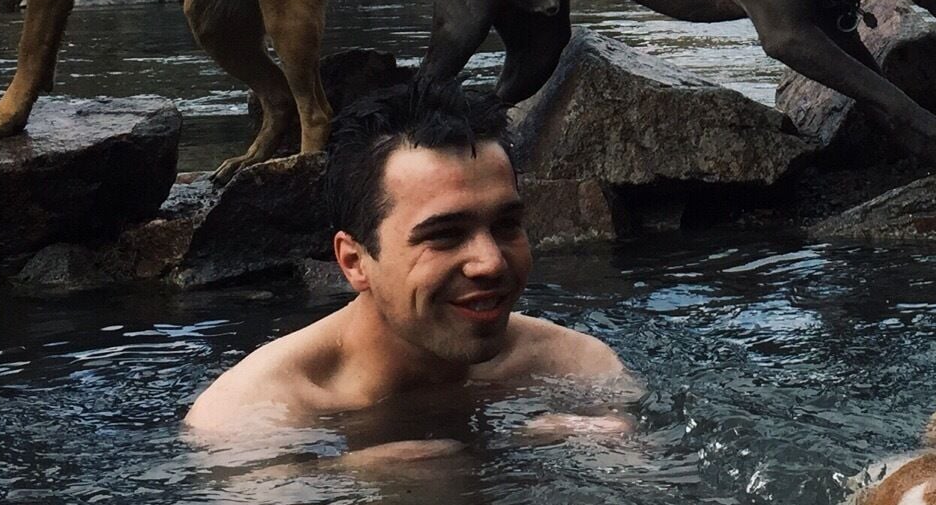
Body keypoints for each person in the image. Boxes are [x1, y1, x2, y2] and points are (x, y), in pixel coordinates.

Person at [186, 82, 628, 438]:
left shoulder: (577, 366)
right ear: (354, 262)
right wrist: (365, 484)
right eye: (444, 235)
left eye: (506, 225)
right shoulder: (250, 419)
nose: (490, 263)